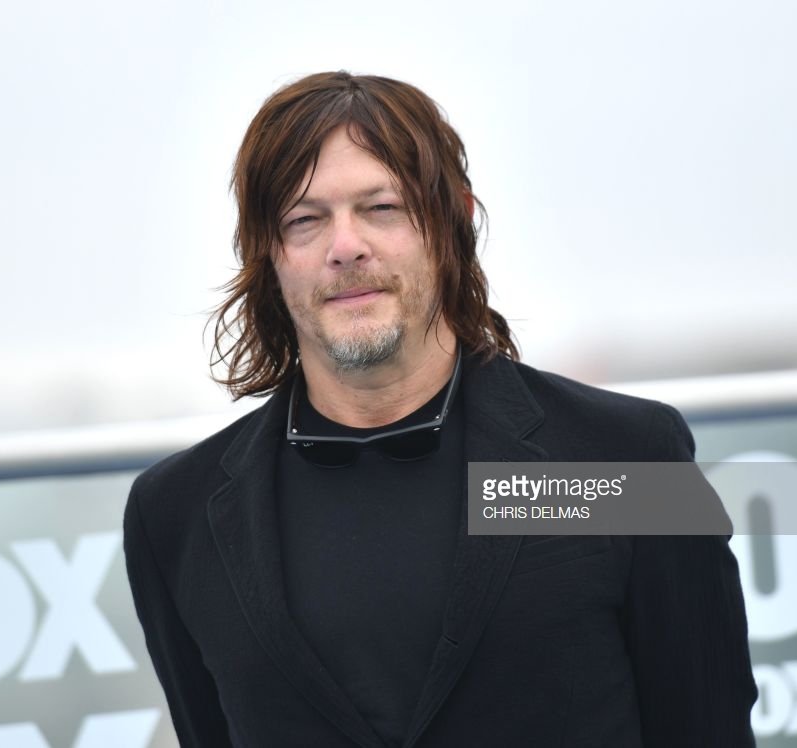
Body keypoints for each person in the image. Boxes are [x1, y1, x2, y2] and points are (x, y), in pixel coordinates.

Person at [123, 71, 758, 747]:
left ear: (453, 218)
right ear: (267, 254)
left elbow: (705, 726)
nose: (345, 246)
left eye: (382, 207)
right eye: (305, 219)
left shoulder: (621, 457)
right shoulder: (177, 516)